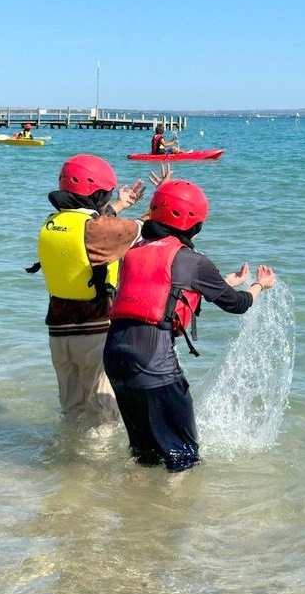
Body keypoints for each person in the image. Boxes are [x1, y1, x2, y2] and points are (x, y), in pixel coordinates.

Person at [103, 178, 276, 472]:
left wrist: (223, 283)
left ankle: (133, 511)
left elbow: (161, 289)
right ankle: (175, 515)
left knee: (144, 454)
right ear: (195, 223)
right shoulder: (193, 260)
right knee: (183, 456)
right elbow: (237, 304)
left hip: (114, 355)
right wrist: (260, 284)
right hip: (153, 361)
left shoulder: (134, 249)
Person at [33, 154, 170, 428]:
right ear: (97, 194)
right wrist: (163, 195)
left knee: (72, 410)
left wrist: (120, 204)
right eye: (106, 195)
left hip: (59, 335)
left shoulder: (52, 223)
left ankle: (64, 464)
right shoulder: (97, 230)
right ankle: (93, 470)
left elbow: (94, 225)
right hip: (93, 332)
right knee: (103, 415)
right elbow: (149, 225)